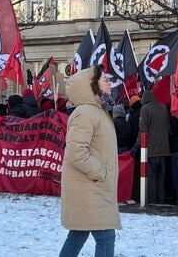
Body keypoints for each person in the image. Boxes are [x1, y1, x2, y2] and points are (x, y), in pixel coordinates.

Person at [59, 66, 121, 257]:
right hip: (90, 187)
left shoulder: (98, 111)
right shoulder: (85, 113)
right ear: (91, 86)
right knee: (105, 236)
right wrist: (100, 172)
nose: (109, 83)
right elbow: (76, 152)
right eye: (104, 80)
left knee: (79, 233)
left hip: (93, 188)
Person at [139, 90, 170, 205]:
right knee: (161, 177)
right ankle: (160, 199)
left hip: (151, 149)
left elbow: (143, 130)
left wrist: (137, 147)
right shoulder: (163, 108)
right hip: (165, 150)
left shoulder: (145, 109)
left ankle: (152, 201)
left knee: (151, 177)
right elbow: (168, 128)